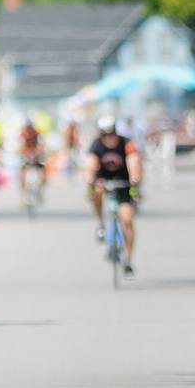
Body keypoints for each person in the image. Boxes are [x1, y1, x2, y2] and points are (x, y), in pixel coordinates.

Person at [83, 115, 141, 277]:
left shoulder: (126, 143)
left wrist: (135, 184)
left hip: (123, 183)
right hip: (103, 181)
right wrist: (90, 183)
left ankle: (128, 260)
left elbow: (134, 161)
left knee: (127, 219)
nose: (109, 138)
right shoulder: (96, 146)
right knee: (96, 192)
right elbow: (90, 164)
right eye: (105, 135)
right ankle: (101, 222)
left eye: (112, 134)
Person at [18, 119, 47, 204]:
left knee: (43, 170)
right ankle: (24, 196)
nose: (29, 129)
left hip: (36, 154)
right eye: (27, 127)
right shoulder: (22, 134)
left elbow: (42, 145)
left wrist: (38, 152)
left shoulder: (37, 133)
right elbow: (20, 146)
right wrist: (24, 153)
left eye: (30, 127)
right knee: (22, 173)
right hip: (26, 154)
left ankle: (40, 190)